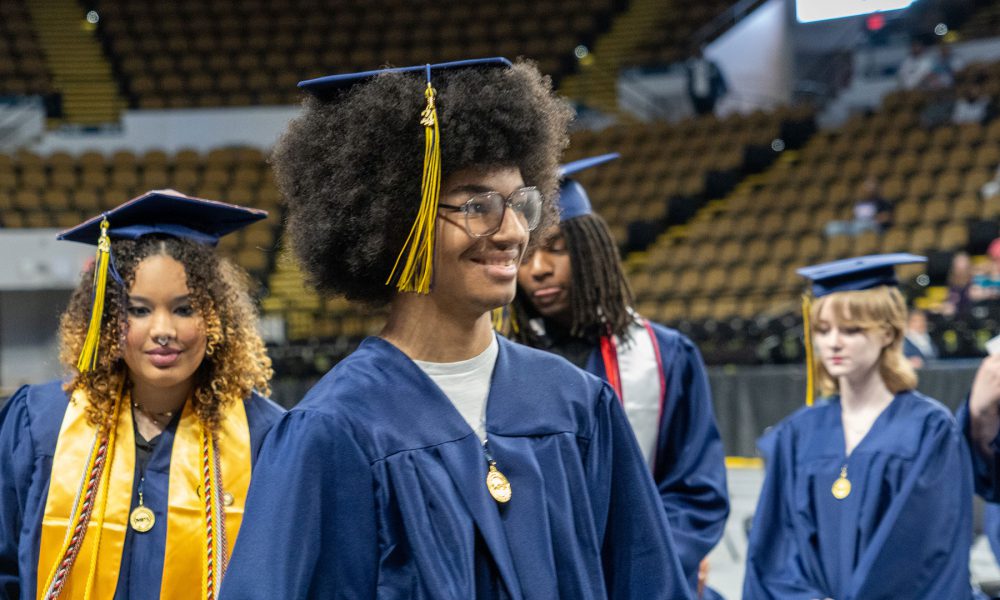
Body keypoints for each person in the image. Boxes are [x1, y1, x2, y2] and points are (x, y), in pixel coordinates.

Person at [220, 58, 693, 599]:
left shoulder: (577, 406)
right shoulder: (332, 432)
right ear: (395, 220)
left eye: (521, 204)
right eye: (476, 205)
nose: (513, 231)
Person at [0, 190, 282, 599]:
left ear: (215, 317)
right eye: (138, 309)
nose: (162, 330)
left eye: (185, 309)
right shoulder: (40, 426)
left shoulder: (265, 439)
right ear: (109, 316)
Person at [512, 153, 728, 597]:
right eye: (525, 254)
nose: (538, 270)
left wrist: (648, 561)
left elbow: (695, 490)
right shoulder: (505, 361)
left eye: (556, 247)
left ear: (592, 251)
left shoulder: (665, 356)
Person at [743, 253, 974, 599]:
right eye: (823, 330)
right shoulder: (798, 433)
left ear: (886, 333)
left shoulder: (929, 429)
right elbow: (774, 552)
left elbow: (926, 552)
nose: (832, 342)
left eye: (851, 330)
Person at [824, 177, 893, 237]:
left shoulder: (882, 202)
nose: (867, 190)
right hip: (855, 225)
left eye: (870, 188)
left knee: (861, 225)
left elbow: (887, 217)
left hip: (872, 226)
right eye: (866, 187)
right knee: (833, 226)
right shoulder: (859, 202)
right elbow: (853, 216)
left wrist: (874, 220)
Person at [685, 46, 728, 116]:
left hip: (710, 95)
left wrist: (723, 90)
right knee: (699, 114)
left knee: (710, 113)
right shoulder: (690, 66)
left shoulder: (710, 65)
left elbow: (719, 78)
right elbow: (688, 82)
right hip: (696, 95)